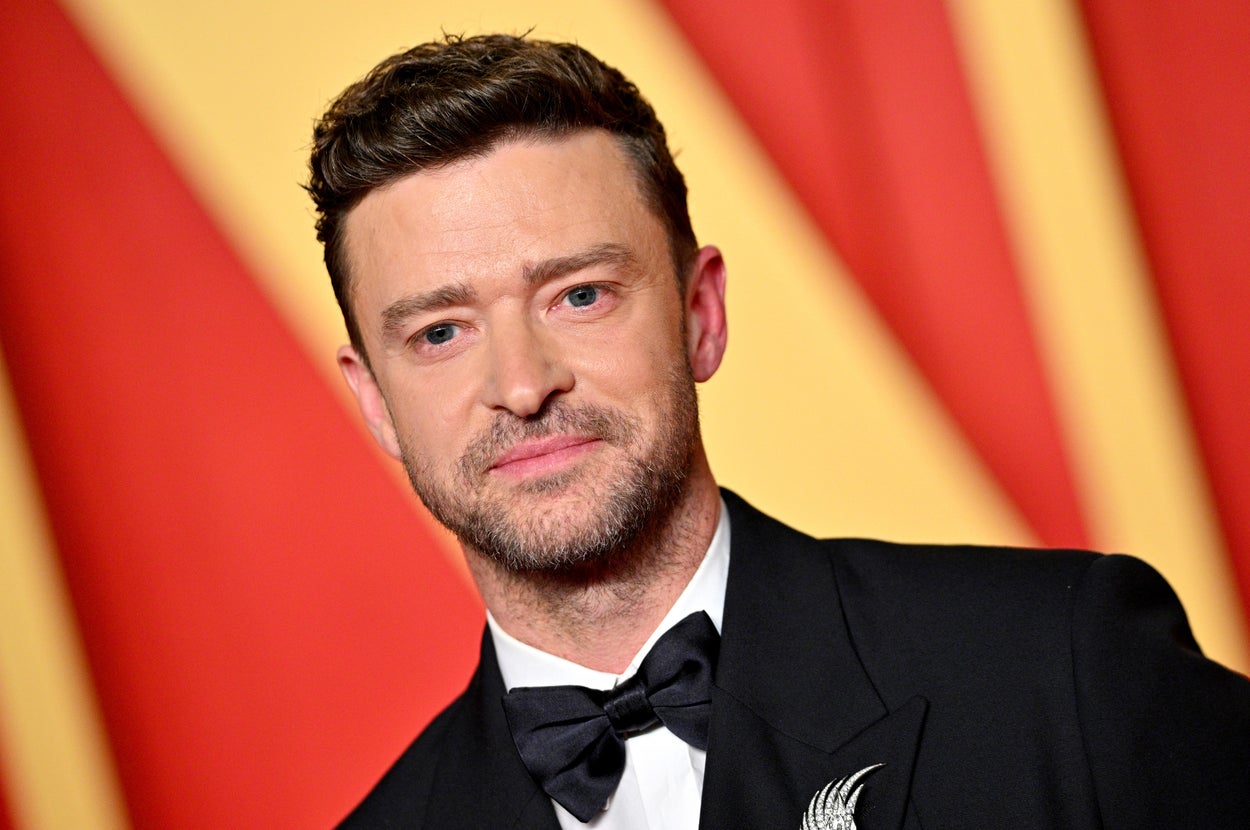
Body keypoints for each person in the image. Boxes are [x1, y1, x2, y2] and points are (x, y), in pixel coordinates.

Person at [308, 33, 1250, 829]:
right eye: (439, 332)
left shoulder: (1063, 668)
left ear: (700, 314)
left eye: (579, 294)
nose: (520, 385)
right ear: (377, 402)